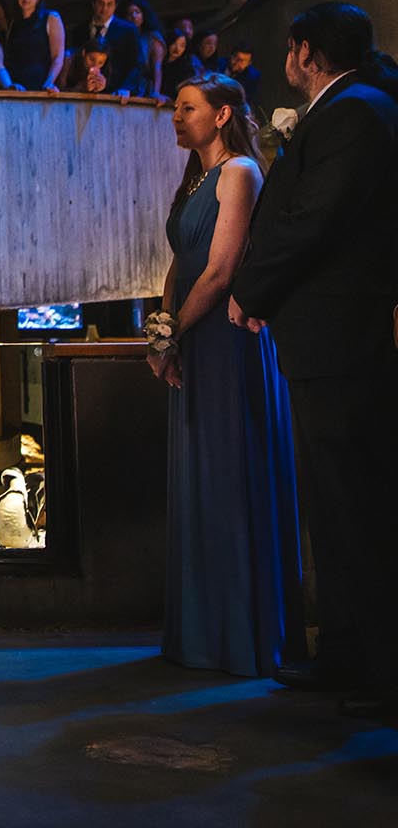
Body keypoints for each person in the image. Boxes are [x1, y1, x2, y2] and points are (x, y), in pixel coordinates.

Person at [230, 2, 398, 715]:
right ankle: (346, 653)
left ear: (305, 53)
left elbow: (312, 221)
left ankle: (383, 675)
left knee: (356, 509)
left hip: (341, 339)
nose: (287, 60)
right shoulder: (353, 107)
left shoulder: (355, 112)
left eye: (290, 48)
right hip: (327, 337)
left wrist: (252, 289)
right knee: (334, 509)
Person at [150, 74, 300, 677]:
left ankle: (238, 638)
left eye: (187, 108)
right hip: (190, 332)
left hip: (225, 339)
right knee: (201, 475)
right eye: (176, 107)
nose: (175, 116)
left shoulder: (240, 172)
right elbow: (178, 264)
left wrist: (175, 333)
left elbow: (220, 271)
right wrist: (161, 334)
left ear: (220, 115)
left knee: (229, 472)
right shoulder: (195, 179)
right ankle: (203, 633)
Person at [79, 0, 145, 95]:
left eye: (109, 4)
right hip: (85, 93)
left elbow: (137, 64)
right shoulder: (80, 30)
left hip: (116, 95)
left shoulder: (128, 31)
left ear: (115, 6)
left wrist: (126, 88)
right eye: (101, 3)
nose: (104, 8)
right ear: (93, 3)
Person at [127, 0, 167, 101]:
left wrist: (156, 92)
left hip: (144, 88)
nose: (134, 16)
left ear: (144, 15)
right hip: (126, 86)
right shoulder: (124, 37)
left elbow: (157, 67)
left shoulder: (152, 38)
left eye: (137, 12)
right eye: (130, 13)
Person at [161, 17, 204, 98]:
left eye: (182, 45)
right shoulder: (159, 63)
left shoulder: (186, 68)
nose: (177, 49)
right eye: (174, 43)